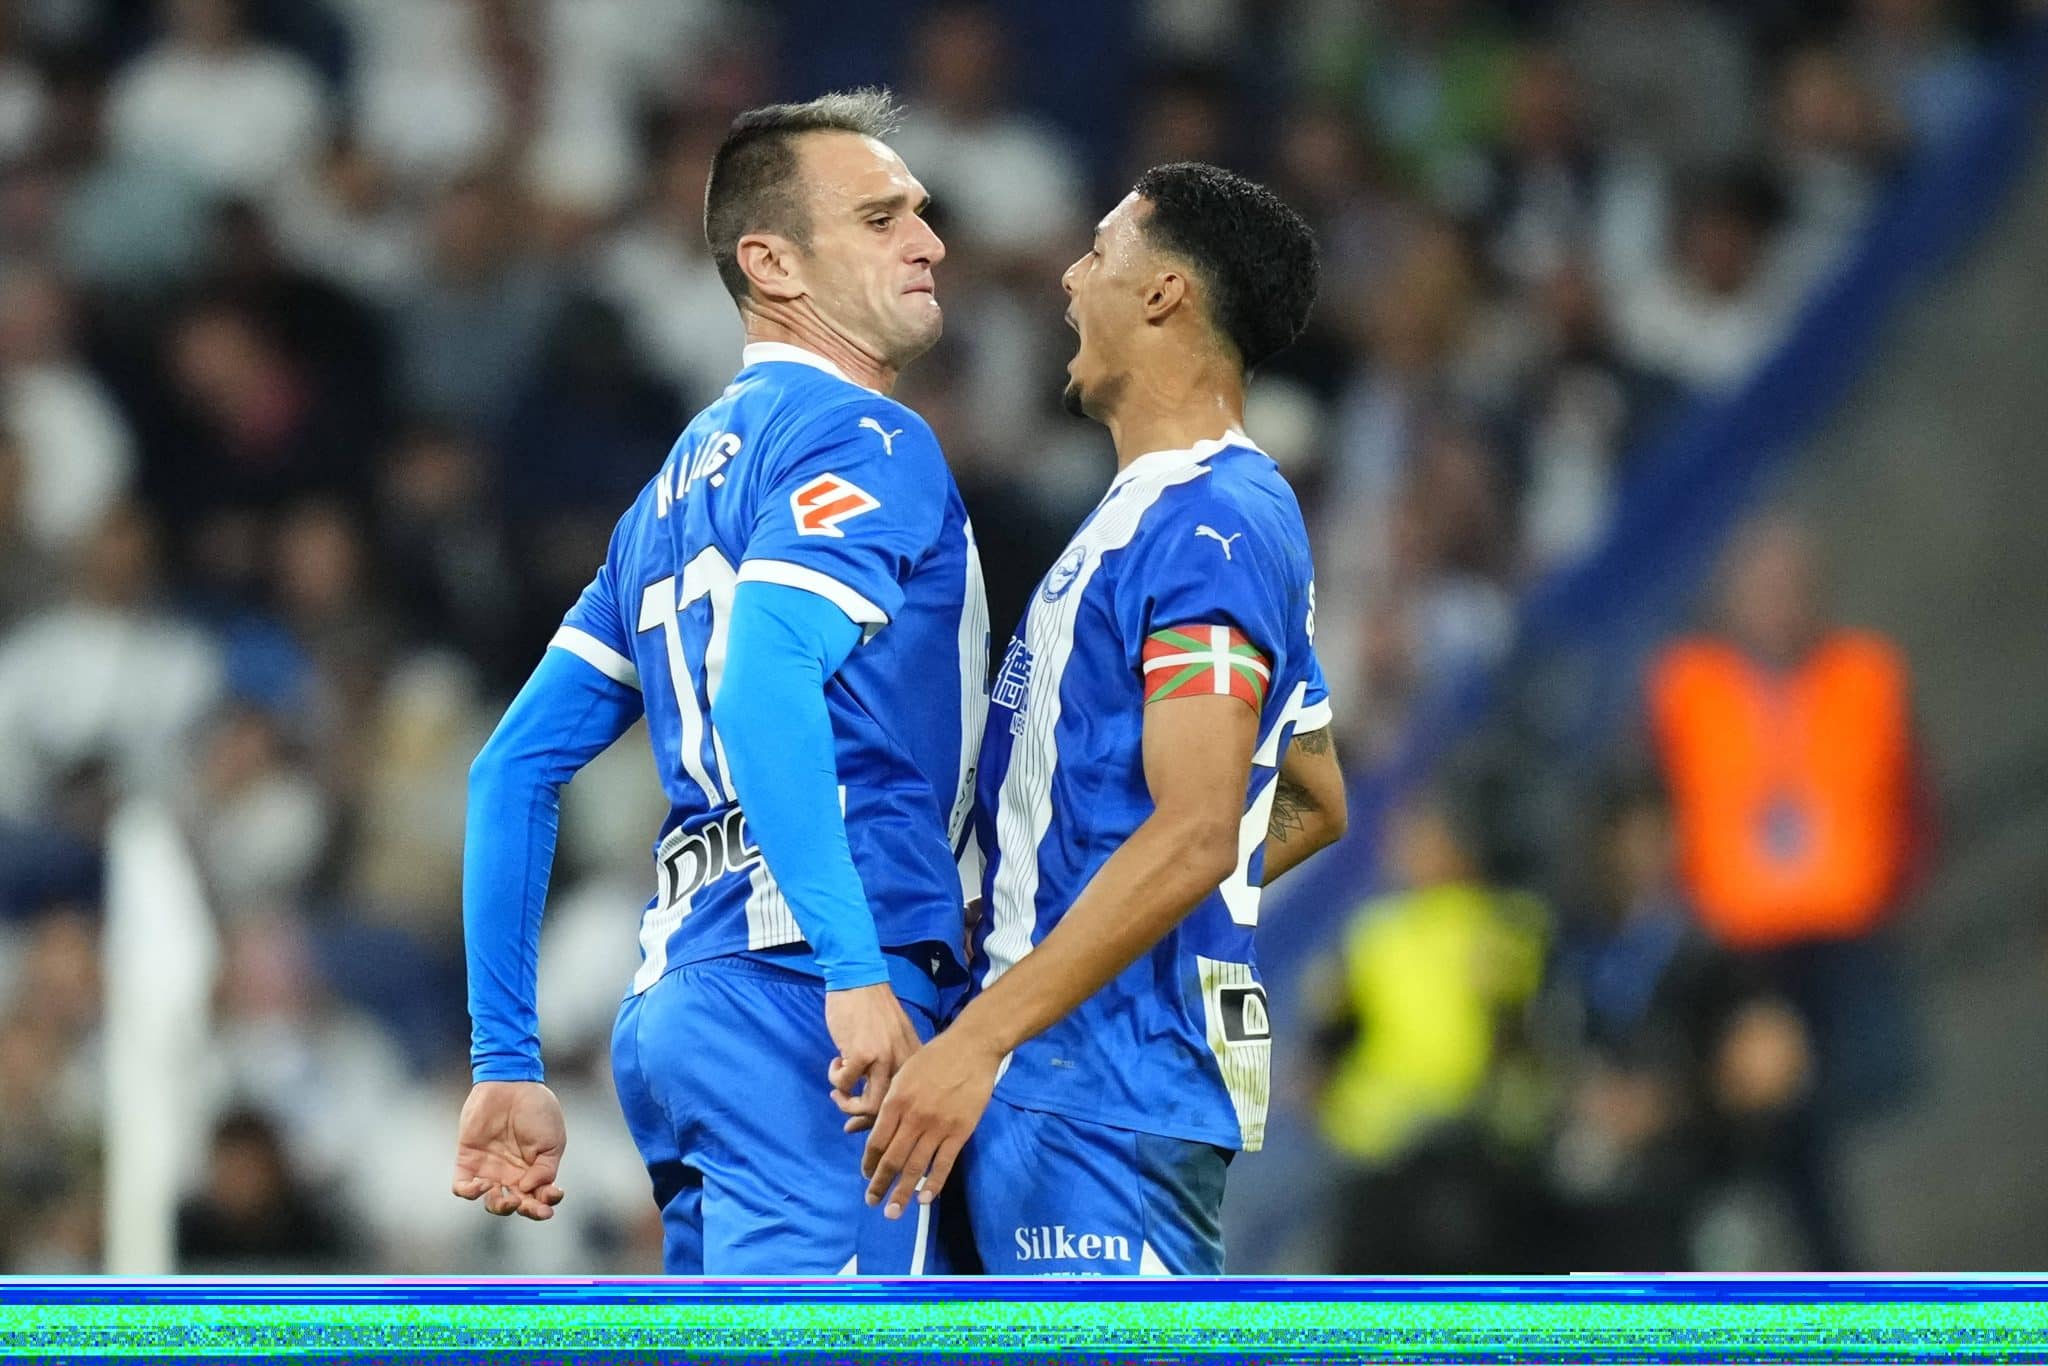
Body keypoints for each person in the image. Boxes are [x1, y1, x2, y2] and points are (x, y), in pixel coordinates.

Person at [451, 89, 988, 1276]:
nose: (930, 240)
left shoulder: (662, 501)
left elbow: (510, 769)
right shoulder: (867, 439)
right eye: (883, 215)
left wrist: (506, 1061)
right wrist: (852, 970)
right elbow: (762, 680)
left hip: (685, 996)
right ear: (772, 262)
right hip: (812, 991)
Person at [854, 163, 1346, 1274]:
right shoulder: (1169, 518)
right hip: (1063, 1076)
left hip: (1101, 1099)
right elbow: (1309, 797)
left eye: (1097, 254)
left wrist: (982, 1031)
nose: (1071, 282)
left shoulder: (1209, 522)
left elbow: (1194, 829)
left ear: (1165, 292)